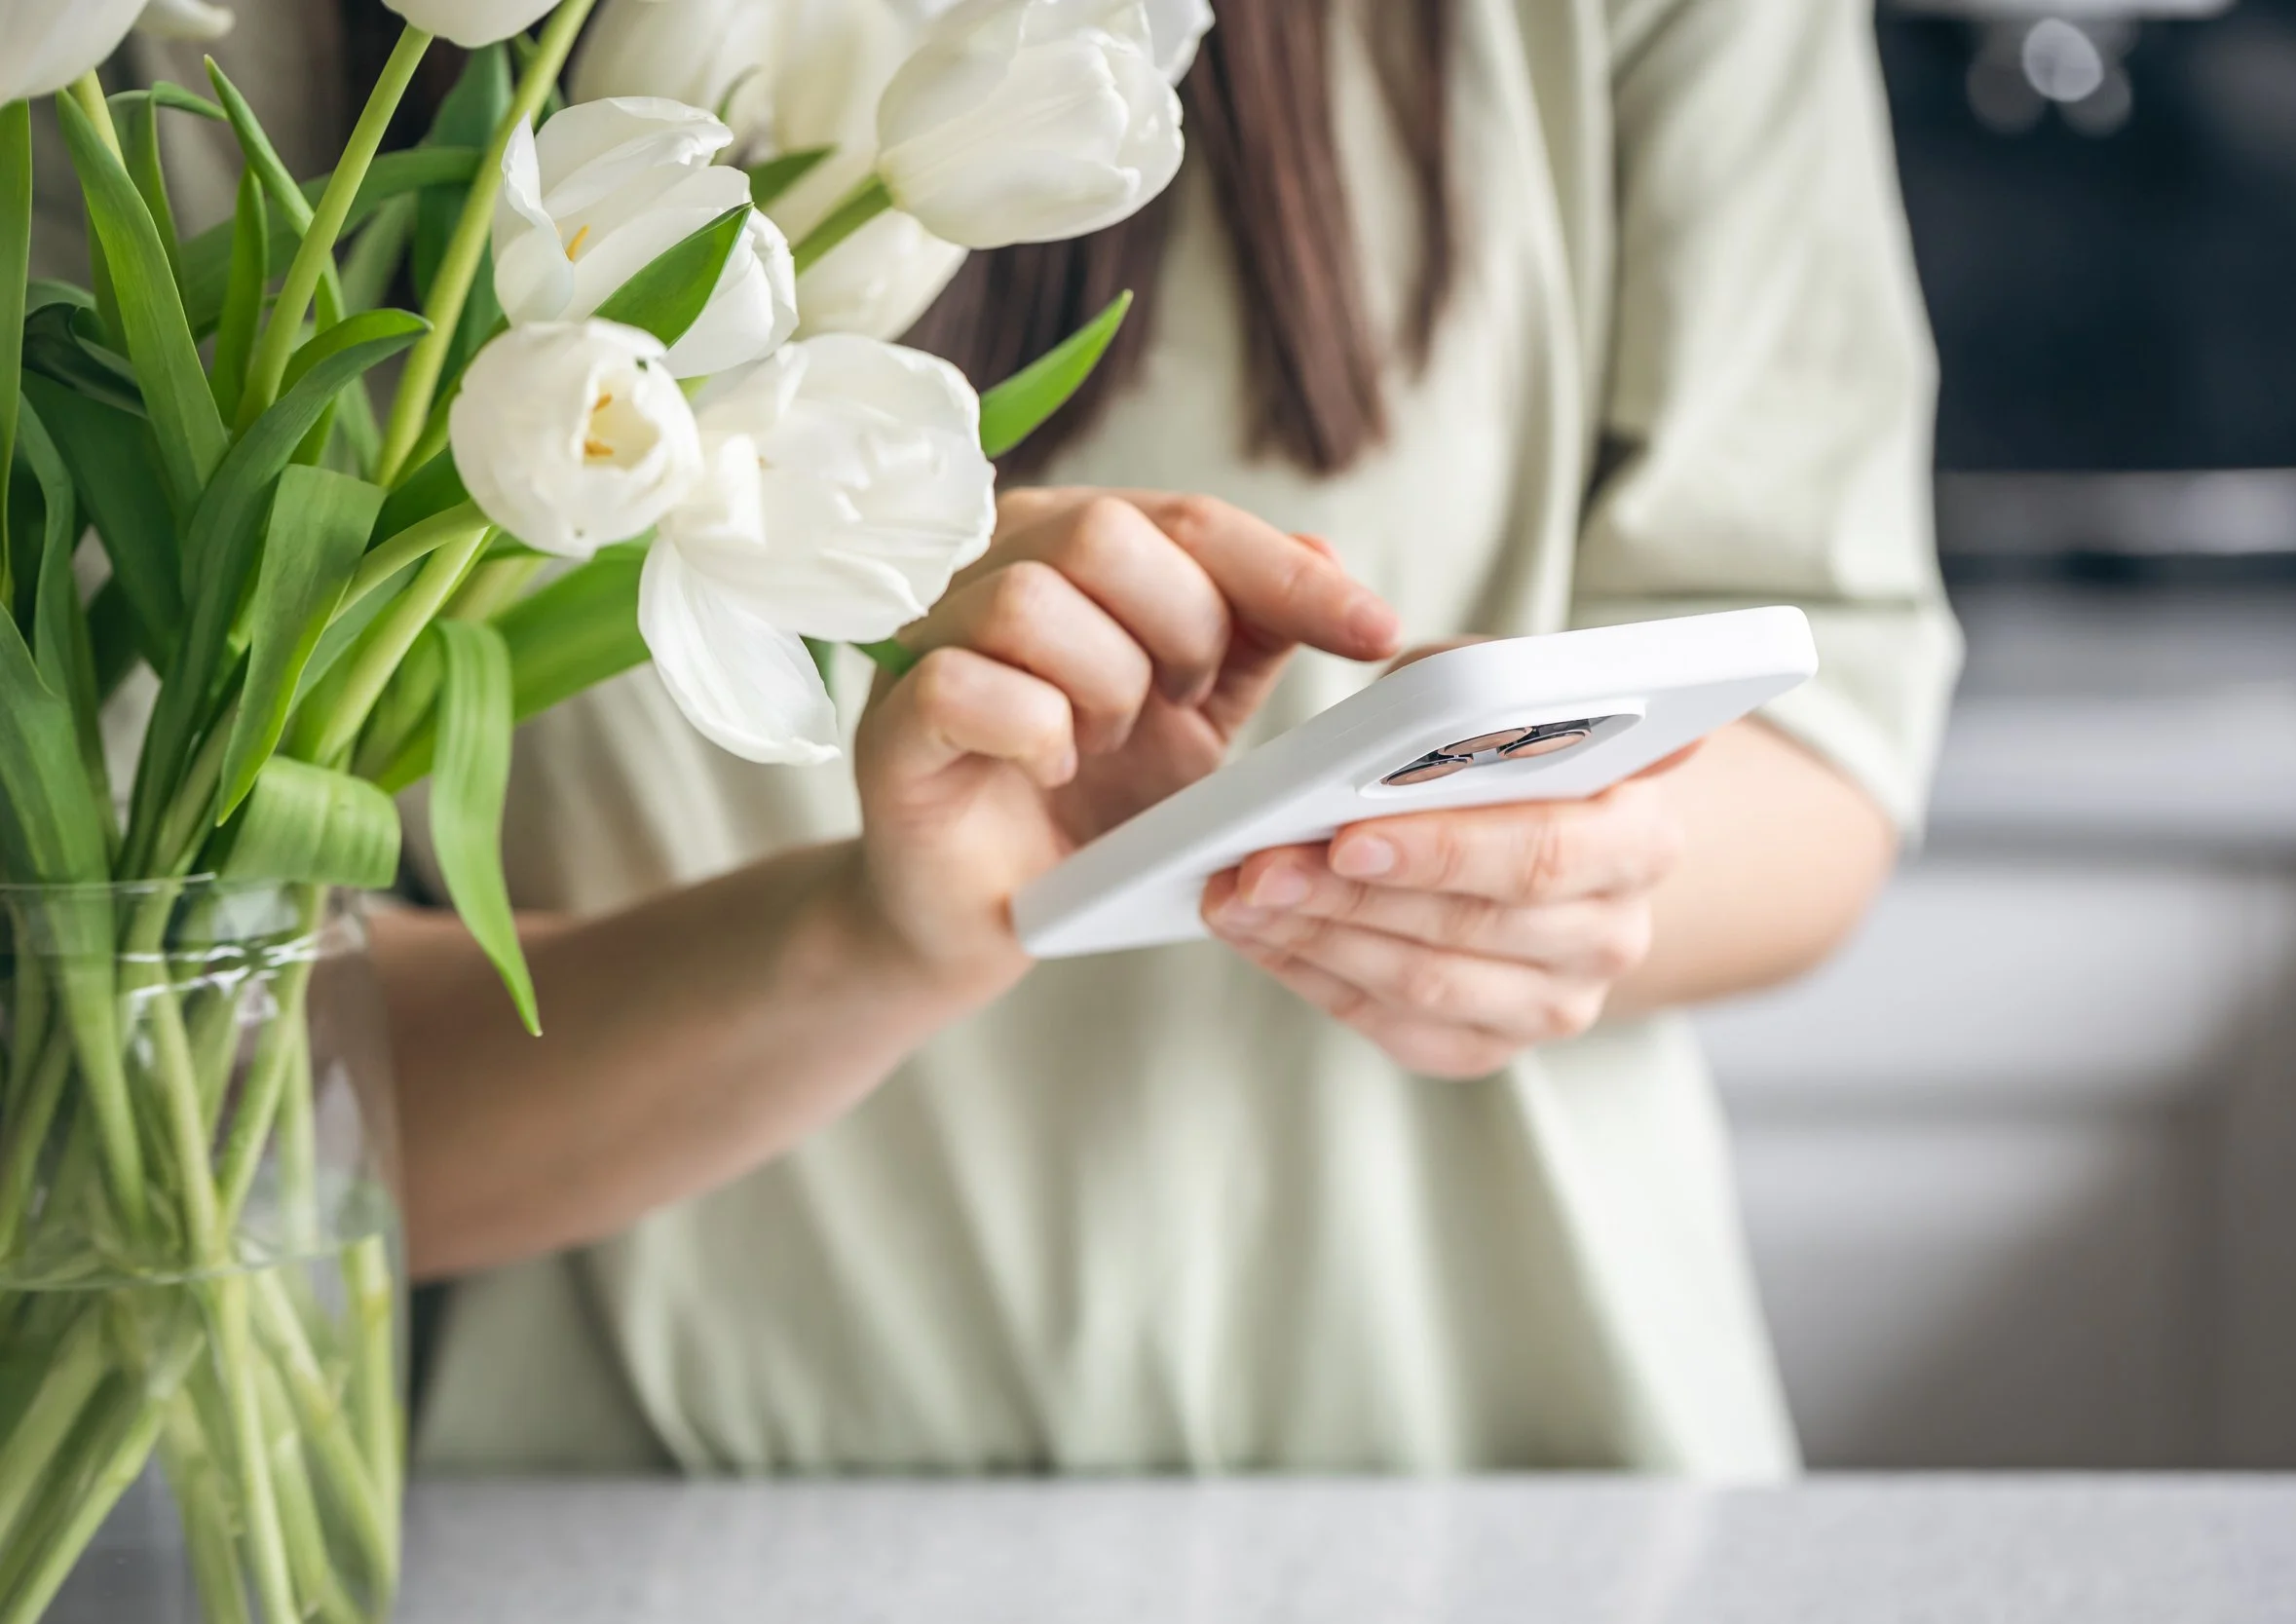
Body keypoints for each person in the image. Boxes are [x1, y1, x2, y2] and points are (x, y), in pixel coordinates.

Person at [94, 0, 1960, 1476]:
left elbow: (1834, 746)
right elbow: (149, 1071)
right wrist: (877, 938)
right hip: (655, 1506)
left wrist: (1565, 877)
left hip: (1523, 1476)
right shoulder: (185, 57)